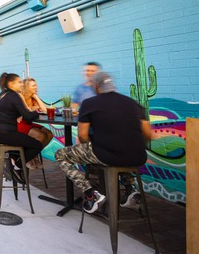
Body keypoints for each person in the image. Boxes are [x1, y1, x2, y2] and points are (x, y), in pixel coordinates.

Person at [54, 72, 152, 213]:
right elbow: (148, 134)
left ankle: (90, 194)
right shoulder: (133, 103)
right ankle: (130, 189)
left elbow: (82, 136)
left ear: (96, 87)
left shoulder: (89, 103)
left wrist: (90, 147)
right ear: (113, 85)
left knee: (60, 154)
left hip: (107, 155)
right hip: (138, 156)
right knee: (119, 151)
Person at [0, 72, 43, 184]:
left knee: (25, 142)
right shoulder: (14, 96)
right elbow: (27, 115)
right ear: (11, 84)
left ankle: (13, 159)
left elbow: (12, 112)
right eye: (19, 82)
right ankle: (16, 166)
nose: (21, 84)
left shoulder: (2, 94)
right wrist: (37, 112)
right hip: (4, 134)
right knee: (37, 145)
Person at [18, 78, 54, 168]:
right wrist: (32, 109)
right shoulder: (21, 96)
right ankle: (27, 158)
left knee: (49, 134)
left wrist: (36, 97)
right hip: (19, 124)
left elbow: (45, 110)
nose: (36, 87)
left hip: (28, 123)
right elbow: (26, 111)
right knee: (41, 135)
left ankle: (33, 154)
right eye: (33, 85)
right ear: (26, 87)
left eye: (36, 85)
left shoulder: (32, 98)